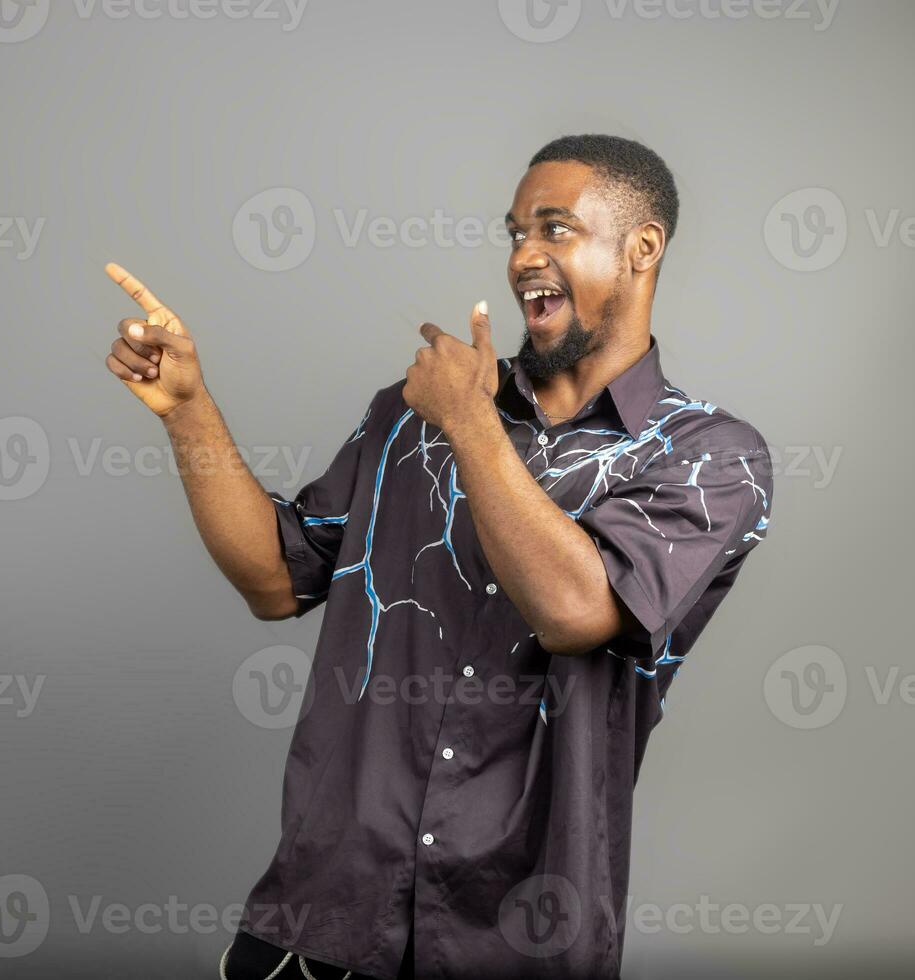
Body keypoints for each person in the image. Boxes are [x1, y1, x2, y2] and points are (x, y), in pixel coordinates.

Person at [104, 134, 774, 980]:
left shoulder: (709, 456)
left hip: (519, 940)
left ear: (643, 248)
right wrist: (187, 412)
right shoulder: (410, 414)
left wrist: (470, 423)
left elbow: (578, 612)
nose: (524, 255)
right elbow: (275, 581)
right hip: (322, 920)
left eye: (555, 229)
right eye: (515, 232)